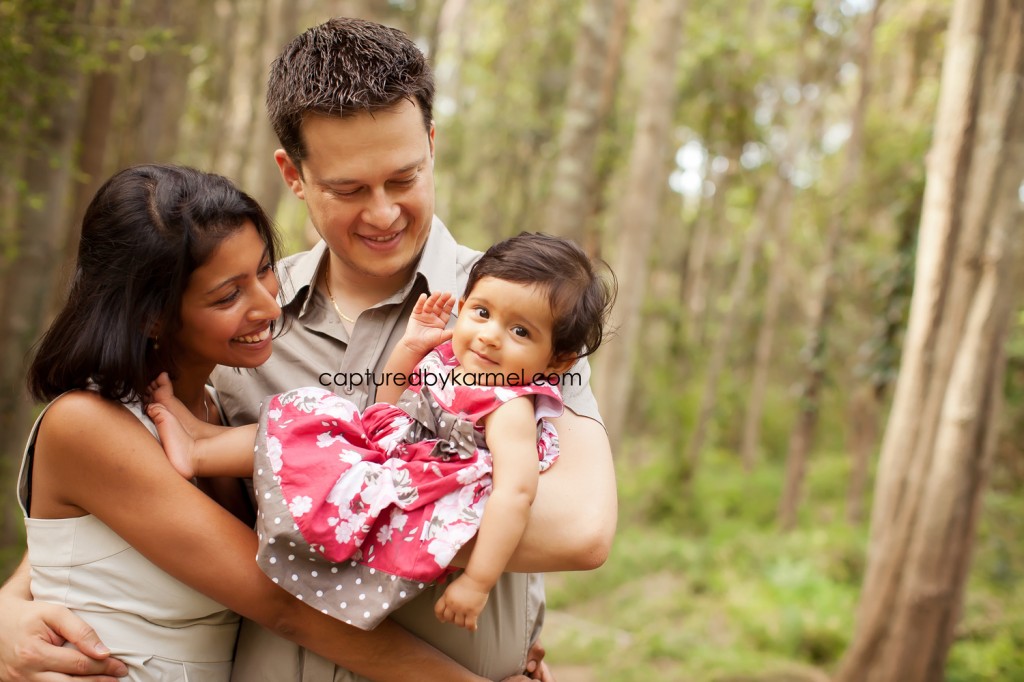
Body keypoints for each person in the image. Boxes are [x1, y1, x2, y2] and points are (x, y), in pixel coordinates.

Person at [0, 16, 616, 682]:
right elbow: (122, 481)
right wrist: (10, 602)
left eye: (403, 179)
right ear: (293, 176)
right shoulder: (238, 324)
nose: (382, 213)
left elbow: (580, 528)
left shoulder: (516, 320)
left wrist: (321, 486)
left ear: (432, 145)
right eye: (349, 189)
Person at [3, 163, 525, 682]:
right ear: (151, 315)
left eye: (264, 269)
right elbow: (285, 606)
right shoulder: (86, 424)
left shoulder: (213, 412)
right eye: (228, 295)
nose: (269, 306)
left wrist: (509, 646)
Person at [149, 232, 614, 634]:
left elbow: (515, 494)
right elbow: (386, 406)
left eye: (519, 331)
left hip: (421, 483)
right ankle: (197, 438)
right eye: (481, 311)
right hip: (387, 447)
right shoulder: (453, 363)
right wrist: (410, 347)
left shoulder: (508, 404)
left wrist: (478, 580)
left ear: (557, 361)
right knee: (311, 412)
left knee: (319, 439)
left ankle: (196, 452)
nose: (490, 335)